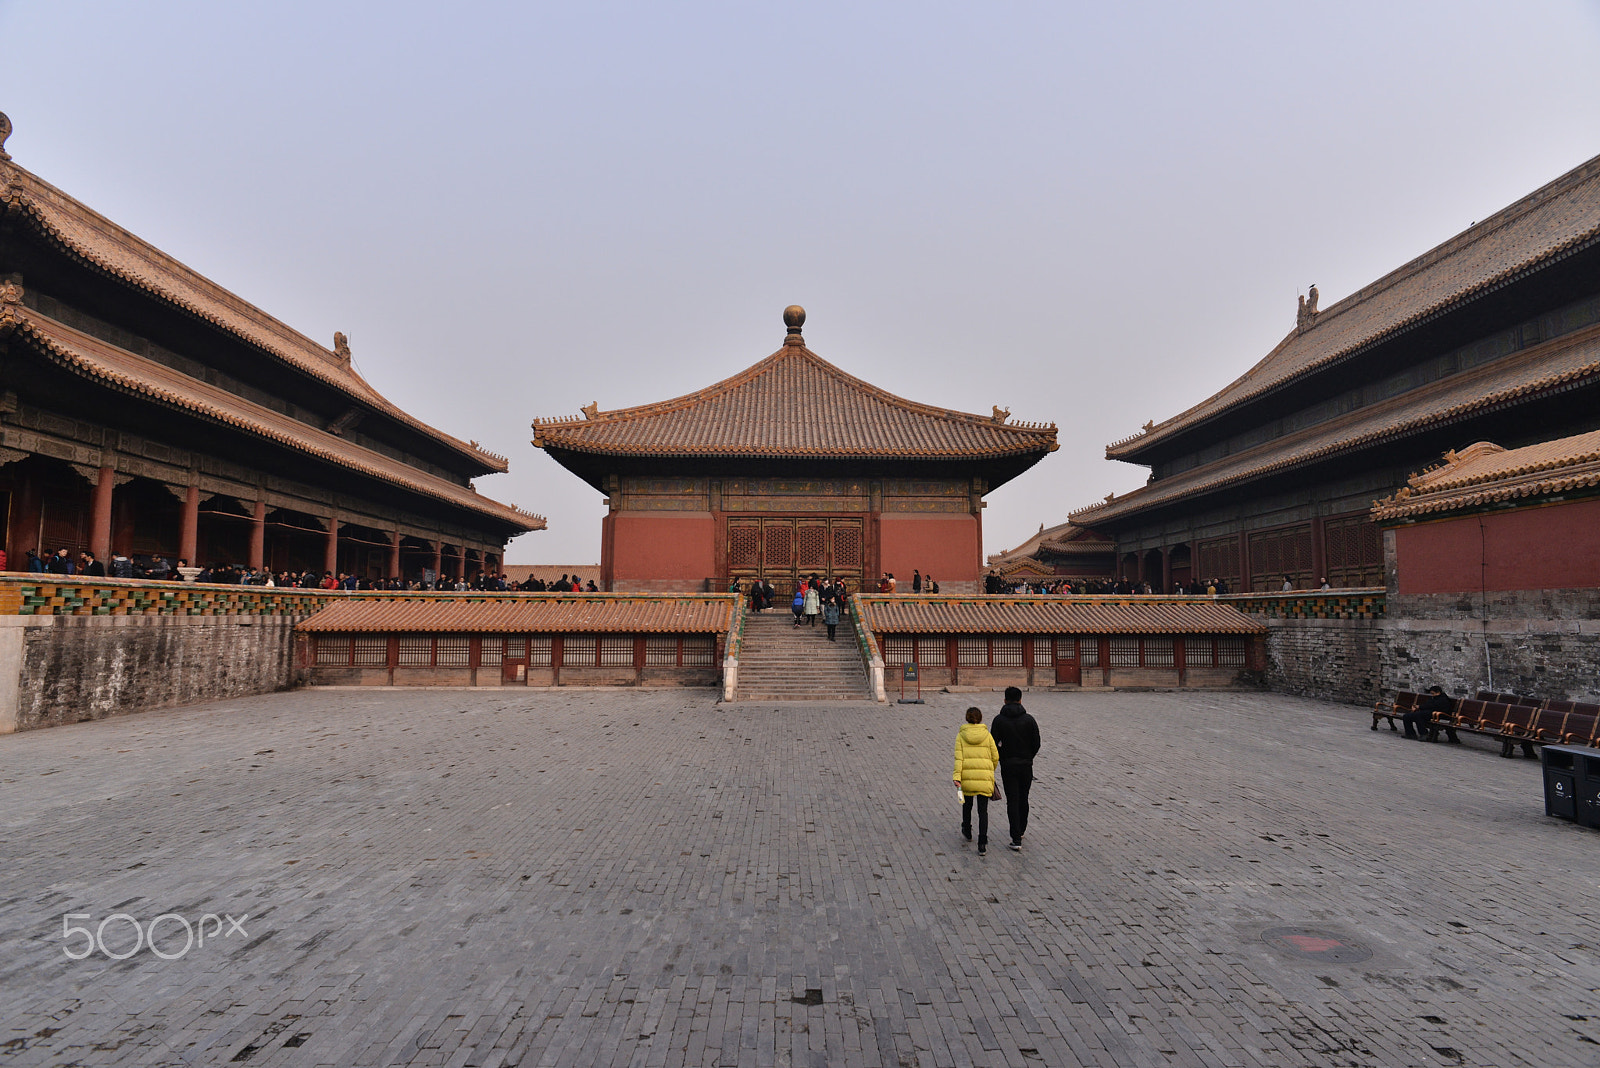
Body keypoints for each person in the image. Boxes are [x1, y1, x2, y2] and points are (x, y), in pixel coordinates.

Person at [989, 686, 1040, 852]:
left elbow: (993, 743)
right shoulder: (1029, 720)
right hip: (1026, 765)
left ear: (1004, 700)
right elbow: (1036, 743)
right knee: (1024, 797)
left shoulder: (999, 720)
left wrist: (1003, 755)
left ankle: (1016, 837)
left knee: (1012, 799)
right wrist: (1028, 756)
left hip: (1008, 765)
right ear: (1020, 700)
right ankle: (1022, 829)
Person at [953, 707, 1000, 856]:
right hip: (984, 778)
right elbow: (995, 756)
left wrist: (957, 777)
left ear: (967, 718)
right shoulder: (987, 735)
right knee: (983, 811)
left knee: (967, 806)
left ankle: (967, 830)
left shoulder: (961, 735)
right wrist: (989, 770)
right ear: (980, 718)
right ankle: (982, 843)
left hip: (967, 778)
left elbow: (958, 758)